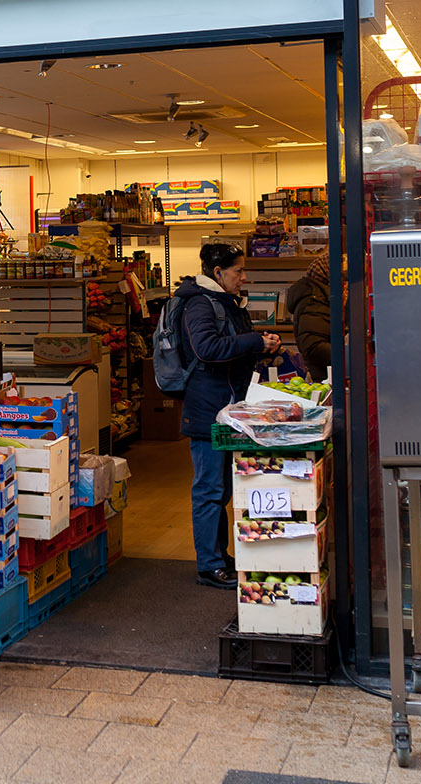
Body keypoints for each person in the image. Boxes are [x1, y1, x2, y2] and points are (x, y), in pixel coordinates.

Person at [175, 242, 280, 589]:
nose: (243, 276)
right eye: (238, 271)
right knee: (209, 489)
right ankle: (209, 564)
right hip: (207, 412)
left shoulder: (228, 303)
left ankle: (220, 557)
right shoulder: (199, 304)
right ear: (217, 273)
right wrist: (253, 342)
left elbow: (233, 349)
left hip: (227, 410)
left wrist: (265, 349)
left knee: (221, 491)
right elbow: (207, 349)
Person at [285, 253, 332, 382]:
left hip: (325, 374)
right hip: (323, 376)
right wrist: (347, 355)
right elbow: (313, 346)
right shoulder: (314, 301)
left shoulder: (319, 296)